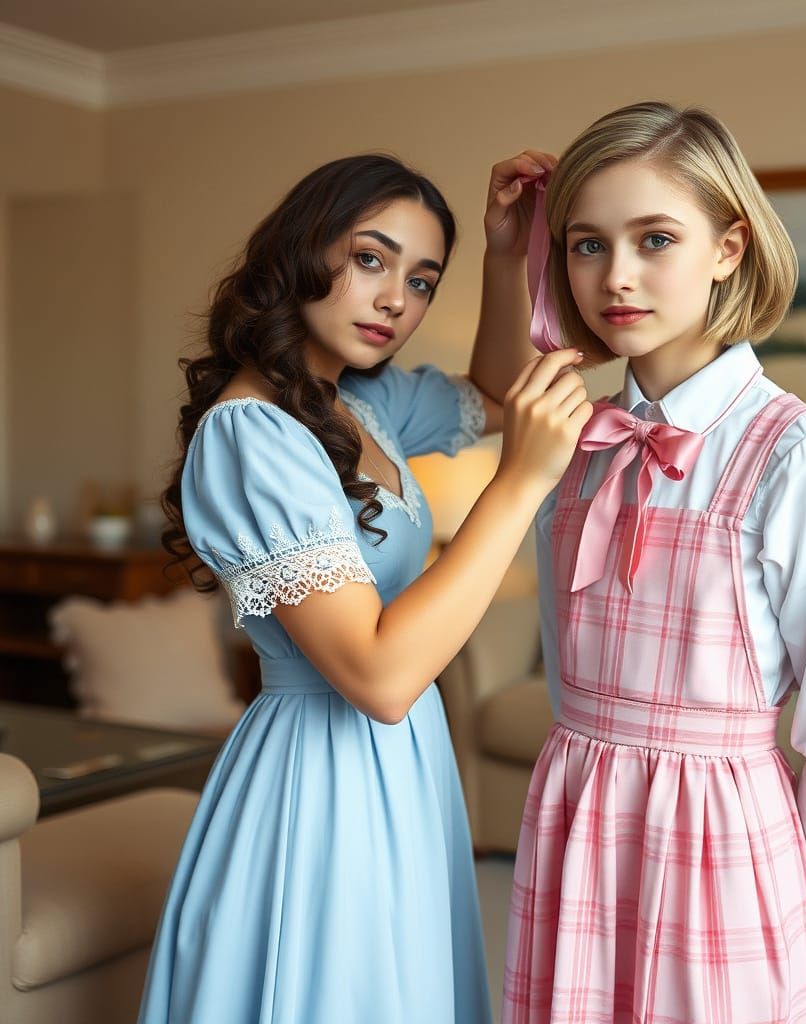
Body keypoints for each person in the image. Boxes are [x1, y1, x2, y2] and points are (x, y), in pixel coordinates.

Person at [136, 152, 591, 1024]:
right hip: (322, 764)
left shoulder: (358, 405)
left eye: (422, 281)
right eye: (372, 259)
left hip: (406, 759)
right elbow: (380, 679)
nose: (397, 302)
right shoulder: (252, 435)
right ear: (302, 252)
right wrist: (519, 485)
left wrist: (504, 254)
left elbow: (496, 394)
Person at [495, 102, 806, 1023]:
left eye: (656, 239)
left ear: (728, 248)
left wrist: (802, 918)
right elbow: (568, 674)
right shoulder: (572, 445)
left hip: (726, 856)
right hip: (574, 829)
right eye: (587, 245)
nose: (617, 276)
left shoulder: (801, 458)